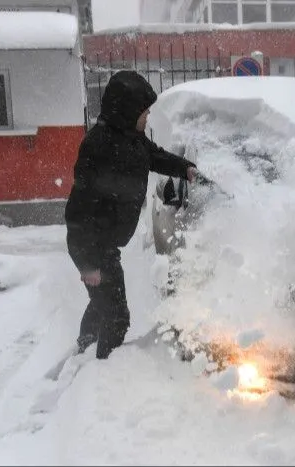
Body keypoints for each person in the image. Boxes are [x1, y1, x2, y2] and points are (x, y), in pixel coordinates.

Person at [65, 70, 197, 359]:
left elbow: (157, 156)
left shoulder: (132, 139)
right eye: (144, 112)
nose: (147, 117)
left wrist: (186, 168)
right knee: (117, 318)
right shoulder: (97, 145)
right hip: (92, 245)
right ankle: (102, 370)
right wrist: (87, 264)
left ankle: (84, 348)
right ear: (127, 110)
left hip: (106, 246)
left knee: (102, 305)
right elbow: (77, 211)